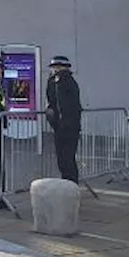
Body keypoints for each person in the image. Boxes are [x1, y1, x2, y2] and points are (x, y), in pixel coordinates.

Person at [45, 55, 82, 183]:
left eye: (57, 67)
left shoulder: (68, 82)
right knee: (62, 159)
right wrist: (51, 116)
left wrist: (65, 122)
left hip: (69, 126)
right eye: (54, 67)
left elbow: (70, 105)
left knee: (67, 158)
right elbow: (51, 102)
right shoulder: (52, 82)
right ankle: (67, 184)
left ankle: (72, 185)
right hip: (59, 126)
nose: (55, 70)